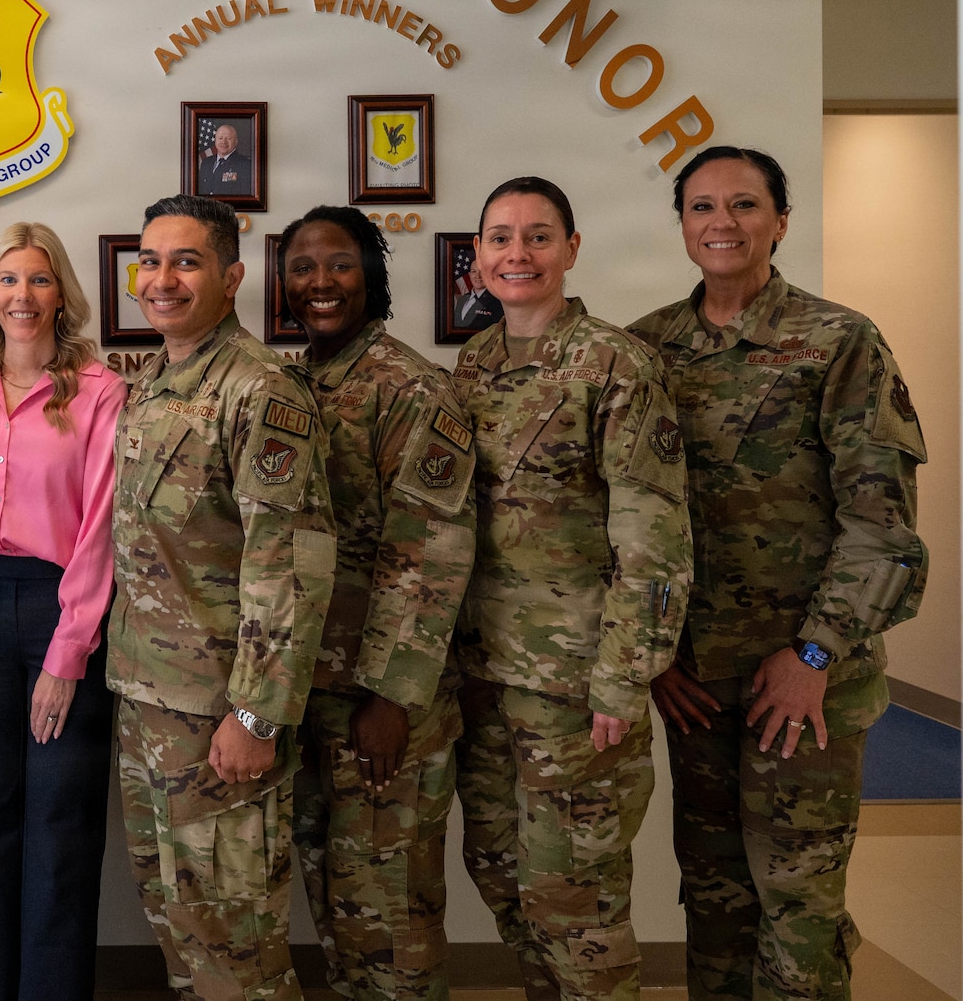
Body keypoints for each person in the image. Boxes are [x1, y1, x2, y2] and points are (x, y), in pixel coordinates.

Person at [628, 147, 927, 1001]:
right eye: (702, 206)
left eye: (745, 205)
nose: (722, 222)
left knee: (798, 906)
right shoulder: (649, 347)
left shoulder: (840, 341)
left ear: (781, 221)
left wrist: (815, 656)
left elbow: (882, 525)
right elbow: (633, 519)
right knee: (716, 902)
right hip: (698, 686)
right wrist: (658, 658)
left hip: (804, 686)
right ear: (682, 224)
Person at [449, 176, 692, 1001]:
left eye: (539, 236)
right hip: (483, 678)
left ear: (572, 248)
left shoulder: (617, 364)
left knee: (575, 902)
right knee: (502, 875)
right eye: (501, 237)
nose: (519, 253)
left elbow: (654, 539)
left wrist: (627, 676)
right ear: (477, 256)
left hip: (578, 687)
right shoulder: (474, 363)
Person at [110, 194, 336, 1001]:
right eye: (150, 260)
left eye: (186, 261)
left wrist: (257, 714)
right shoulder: (153, 381)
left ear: (233, 275)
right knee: (182, 927)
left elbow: (291, 564)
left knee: (236, 944)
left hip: (218, 713)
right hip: (147, 701)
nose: (161, 279)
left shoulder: (259, 390)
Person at [280, 206, 477, 1001]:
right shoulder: (294, 382)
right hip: (311, 696)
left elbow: (433, 550)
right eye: (302, 267)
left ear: (373, 273)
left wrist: (392, 695)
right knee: (338, 906)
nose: (319, 282)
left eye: (339, 264)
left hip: (383, 703)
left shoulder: (409, 387)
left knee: (390, 919)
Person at [0, 223, 125, 1001]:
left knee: (60, 826)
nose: (23, 295)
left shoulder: (99, 390)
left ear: (62, 294)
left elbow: (103, 524)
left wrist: (68, 650)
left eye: (39, 280)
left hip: (62, 610)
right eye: (8, 279)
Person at [196, 122, 253, 198]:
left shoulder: (245, 164)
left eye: (228, 138)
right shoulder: (206, 163)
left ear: (236, 141)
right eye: (220, 138)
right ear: (215, 140)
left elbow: (247, 196)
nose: (223, 142)